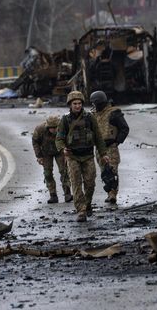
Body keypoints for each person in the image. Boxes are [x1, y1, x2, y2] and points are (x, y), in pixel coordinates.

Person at [55, 91, 109, 222]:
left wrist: (103, 154)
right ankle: (81, 210)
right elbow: (59, 138)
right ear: (70, 104)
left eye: (79, 103)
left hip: (88, 156)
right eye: (75, 104)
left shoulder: (90, 118)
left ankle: (87, 203)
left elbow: (98, 137)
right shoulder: (65, 119)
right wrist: (63, 149)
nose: (77, 106)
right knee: (76, 184)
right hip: (72, 157)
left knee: (90, 183)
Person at [90, 90, 129, 204]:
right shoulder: (93, 114)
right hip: (99, 148)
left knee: (112, 171)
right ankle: (109, 193)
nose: (95, 106)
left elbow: (124, 128)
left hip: (111, 147)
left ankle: (113, 194)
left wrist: (117, 141)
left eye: (96, 104)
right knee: (104, 172)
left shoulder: (113, 113)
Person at [32, 115, 72, 204]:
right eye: (52, 128)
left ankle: (67, 193)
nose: (54, 130)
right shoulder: (40, 129)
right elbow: (35, 142)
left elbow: (69, 140)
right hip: (46, 152)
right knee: (47, 173)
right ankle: (53, 194)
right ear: (48, 127)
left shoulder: (64, 128)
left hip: (60, 151)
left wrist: (67, 153)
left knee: (64, 171)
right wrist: (39, 156)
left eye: (55, 127)